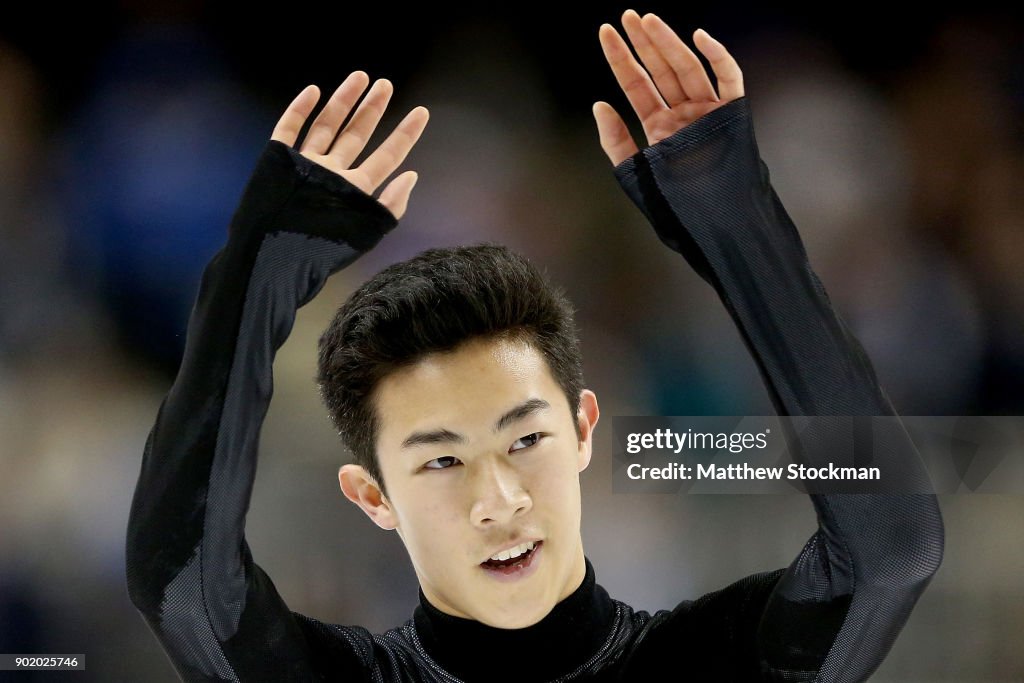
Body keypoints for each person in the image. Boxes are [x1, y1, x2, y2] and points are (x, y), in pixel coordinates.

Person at [125, 9, 944, 682]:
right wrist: (260, 269)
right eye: (440, 459)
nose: (500, 498)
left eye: (526, 438)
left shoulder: (705, 665)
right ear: (372, 495)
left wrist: (738, 226)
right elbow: (181, 578)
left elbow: (888, 544)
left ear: (585, 427)